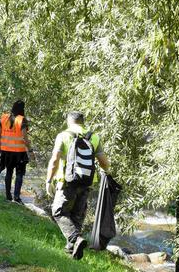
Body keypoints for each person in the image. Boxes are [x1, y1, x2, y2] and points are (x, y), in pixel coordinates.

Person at [45, 111, 111, 260]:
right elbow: (104, 163)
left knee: (58, 211)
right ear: (82, 121)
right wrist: (106, 172)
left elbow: (55, 159)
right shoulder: (94, 137)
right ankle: (71, 253)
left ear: (69, 121)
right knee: (77, 216)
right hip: (86, 183)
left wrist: (48, 180)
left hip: (67, 182)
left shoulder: (63, 135)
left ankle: (75, 239)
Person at [0, 100, 33, 204]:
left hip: (6, 151)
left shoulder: (4, 118)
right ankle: (17, 197)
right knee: (19, 174)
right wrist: (30, 150)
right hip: (19, 152)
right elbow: (24, 137)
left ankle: (8, 195)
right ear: (22, 109)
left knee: (9, 172)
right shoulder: (22, 120)